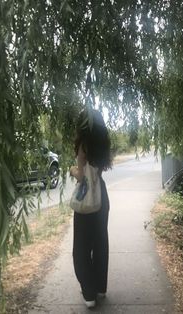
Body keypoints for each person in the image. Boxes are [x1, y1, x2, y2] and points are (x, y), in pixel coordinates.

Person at [70, 108, 111, 308]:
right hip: (101, 196)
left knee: (81, 248)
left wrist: (71, 170)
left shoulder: (83, 145)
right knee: (100, 242)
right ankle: (100, 288)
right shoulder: (103, 143)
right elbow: (97, 173)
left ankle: (89, 295)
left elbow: (82, 176)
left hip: (86, 198)